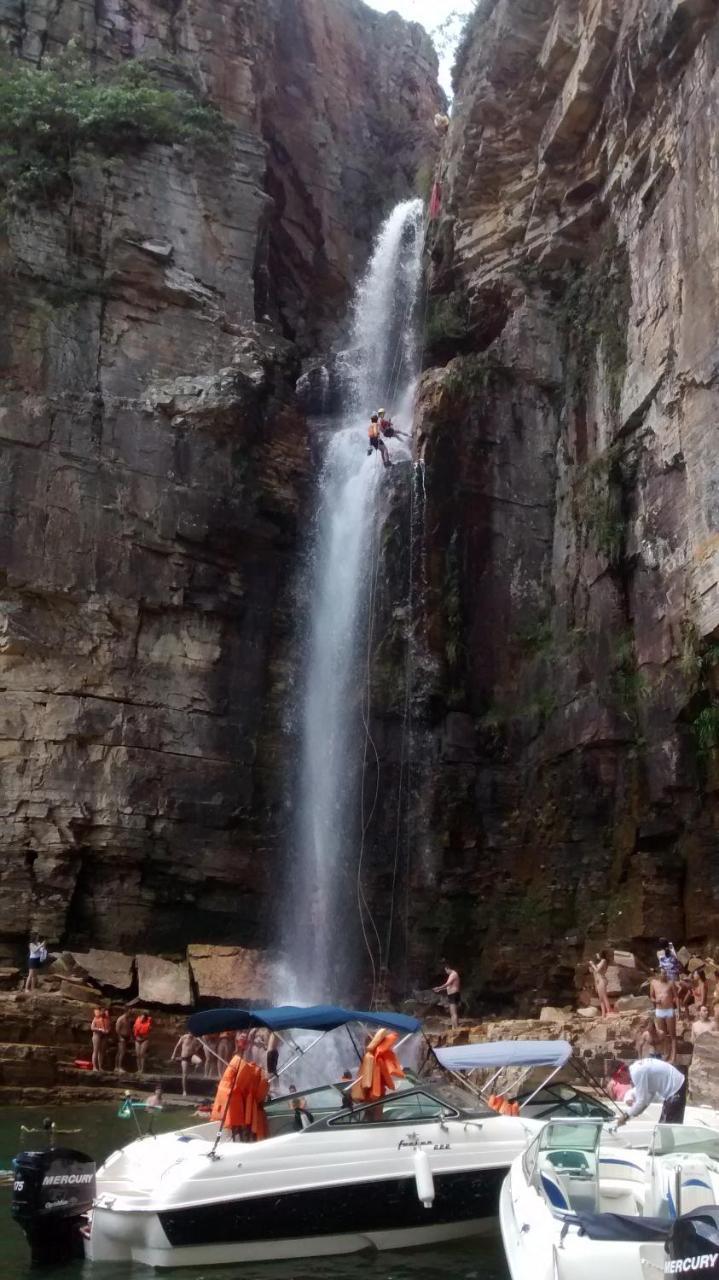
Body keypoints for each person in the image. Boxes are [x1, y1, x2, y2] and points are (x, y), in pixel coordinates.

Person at [609, 1057, 686, 1126]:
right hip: (676, 1086)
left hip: (675, 1088)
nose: (621, 1083)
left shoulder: (636, 1073)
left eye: (618, 1081)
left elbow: (642, 1101)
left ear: (622, 1073)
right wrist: (632, 1114)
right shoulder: (636, 1068)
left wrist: (626, 1116)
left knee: (665, 1128)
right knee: (664, 1128)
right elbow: (647, 1097)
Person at [650, 967, 678, 1062]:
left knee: (673, 1035)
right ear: (658, 974)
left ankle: (673, 1056)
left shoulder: (671, 983)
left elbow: (676, 997)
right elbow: (651, 997)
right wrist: (655, 1000)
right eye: (662, 973)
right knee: (662, 1034)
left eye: (665, 973)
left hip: (669, 1010)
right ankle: (666, 1053)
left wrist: (678, 1010)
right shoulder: (653, 983)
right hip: (659, 1011)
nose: (664, 975)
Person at [171, 1032, 199, 1097]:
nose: (191, 1034)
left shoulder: (195, 1039)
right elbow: (177, 1046)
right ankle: (184, 1091)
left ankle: (193, 1071)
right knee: (185, 1074)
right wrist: (173, 1055)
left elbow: (196, 1048)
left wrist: (196, 1049)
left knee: (200, 1062)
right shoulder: (184, 1037)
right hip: (184, 1058)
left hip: (191, 1057)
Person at [434, 963, 461, 1029]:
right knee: (454, 1013)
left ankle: (455, 1028)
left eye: (446, 970)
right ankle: (454, 1027)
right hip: (454, 994)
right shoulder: (454, 974)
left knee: (453, 1013)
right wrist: (441, 989)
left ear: (448, 968)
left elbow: (447, 984)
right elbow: (450, 986)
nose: (446, 972)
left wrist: (438, 987)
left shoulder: (453, 974)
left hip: (453, 995)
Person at [588, 951, 612, 1018]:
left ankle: (609, 1011)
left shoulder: (603, 961)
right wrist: (591, 967)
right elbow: (594, 973)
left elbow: (598, 970)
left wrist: (593, 964)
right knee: (600, 999)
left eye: (597, 954)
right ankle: (603, 1014)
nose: (597, 955)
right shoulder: (598, 962)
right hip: (598, 981)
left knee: (604, 996)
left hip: (602, 979)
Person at [90, 1007, 110, 1072]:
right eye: (102, 1011)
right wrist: (99, 1029)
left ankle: (100, 1067)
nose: (103, 1012)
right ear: (100, 1011)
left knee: (101, 1052)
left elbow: (109, 1026)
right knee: (95, 1051)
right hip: (97, 1035)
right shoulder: (96, 1018)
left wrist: (108, 1030)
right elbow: (92, 1028)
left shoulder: (107, 1019)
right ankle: (94, 1067)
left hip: (104, 1036)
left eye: (104, 1011)